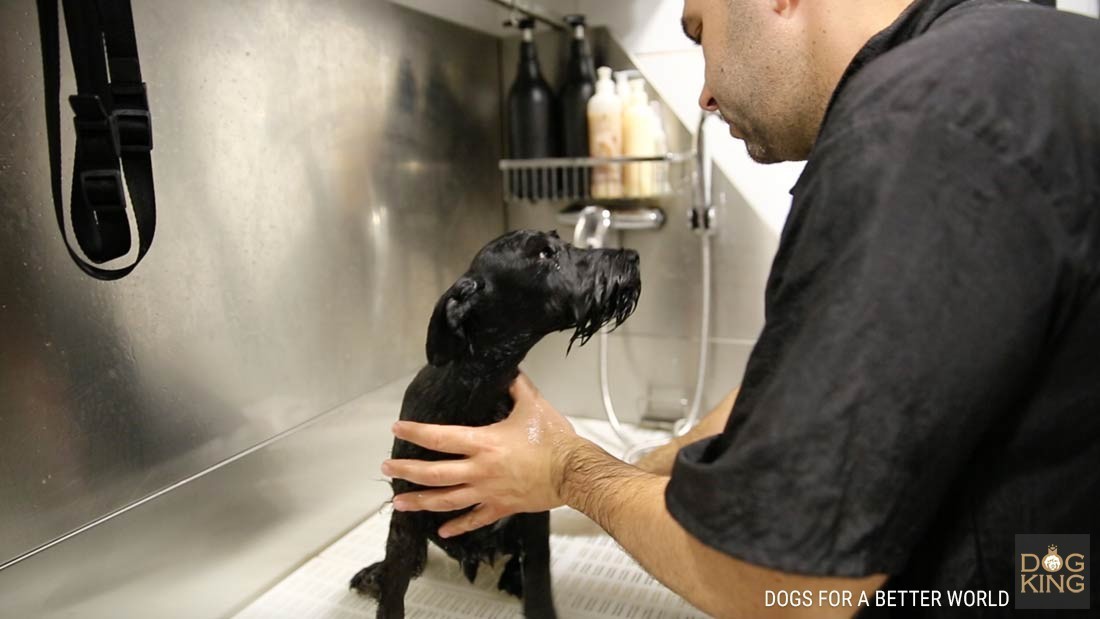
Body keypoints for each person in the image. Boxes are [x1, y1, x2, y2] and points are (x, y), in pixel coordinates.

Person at [381, 0, 1100, 616]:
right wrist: (655, 461)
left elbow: (782, 581)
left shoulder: (910, 128)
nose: (704, 95)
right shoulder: (1012, 57)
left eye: (700, 33)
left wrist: (570, 471)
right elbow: (832, 376)